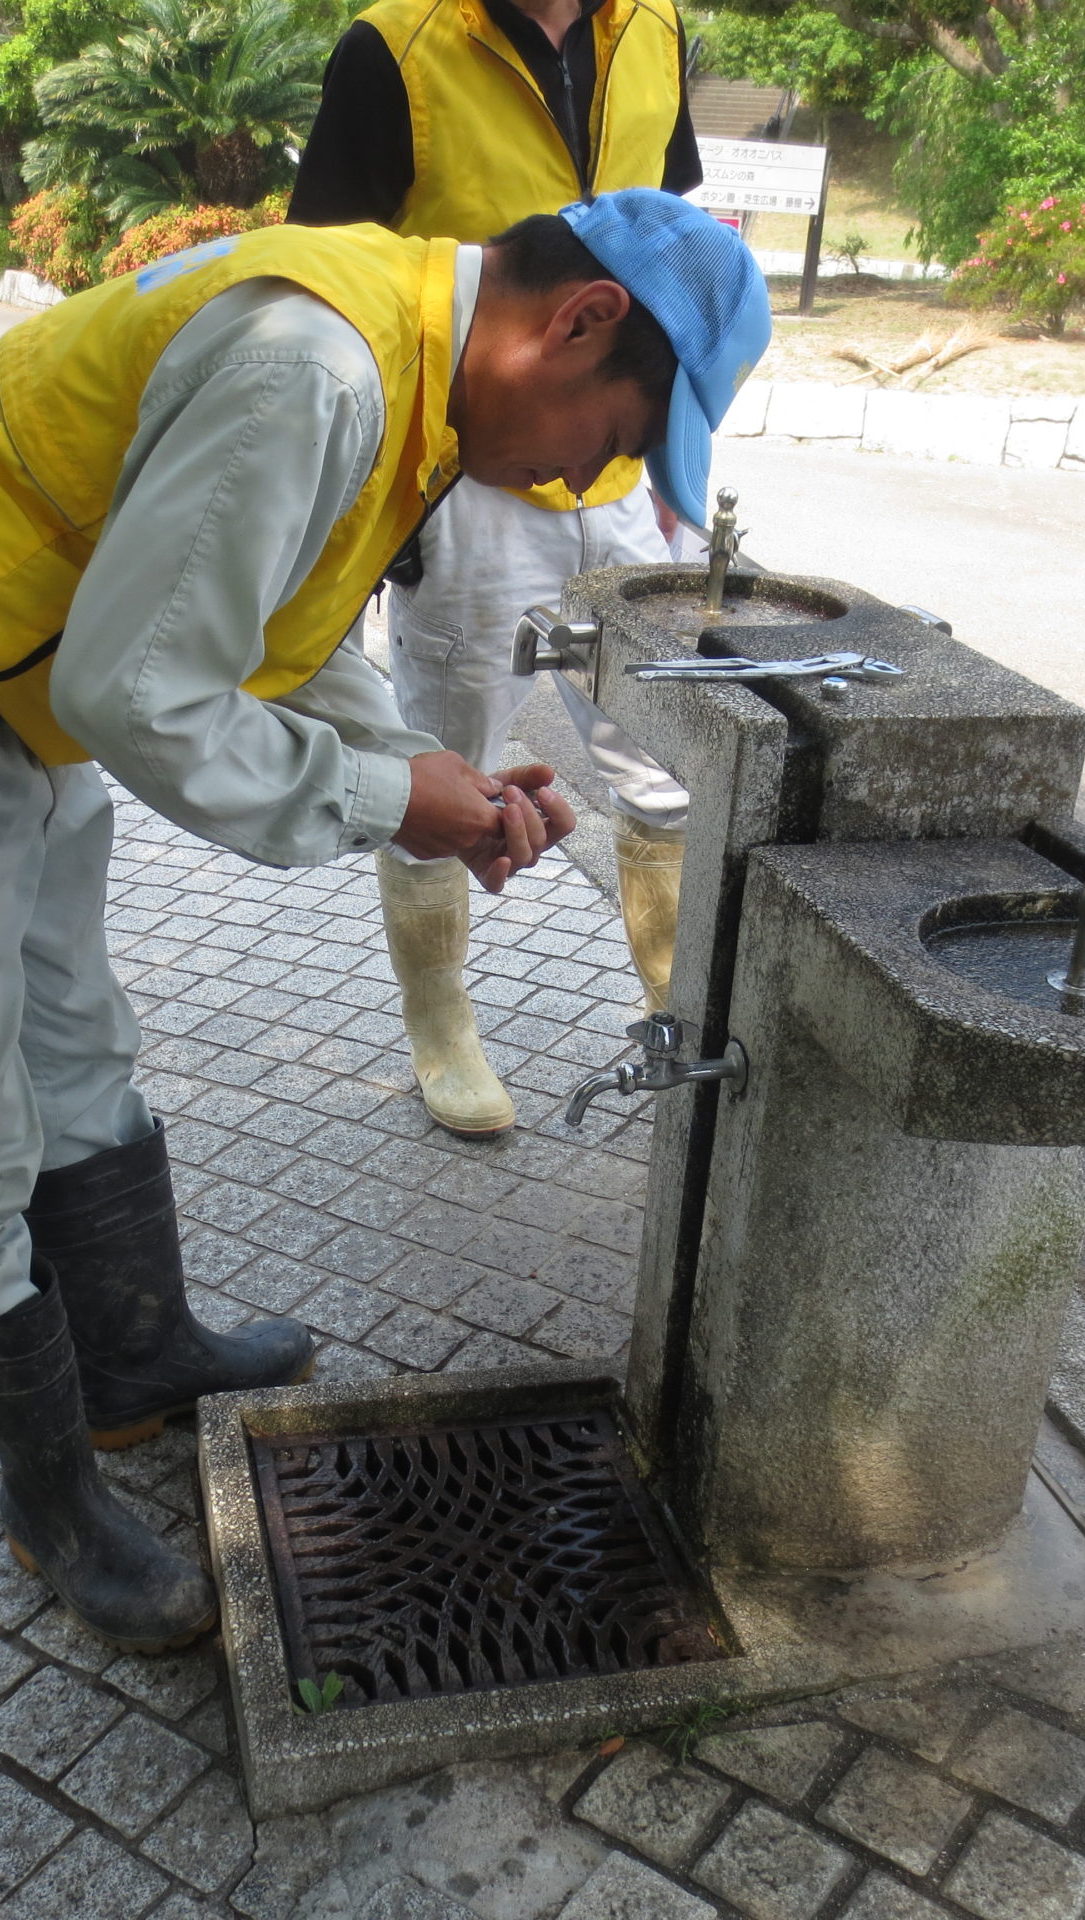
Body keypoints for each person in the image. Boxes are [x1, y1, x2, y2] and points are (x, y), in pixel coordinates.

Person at [0, 190, 770, 1654]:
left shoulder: (404, 351)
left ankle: (135, 1360)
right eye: (611, 435)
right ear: (580, 322)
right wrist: (386, 799)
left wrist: (426, 770)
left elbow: (276, 625)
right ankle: (53, 1502)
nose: (578, 476)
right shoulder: (319, 369)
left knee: (72, 1039)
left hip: (4, 679)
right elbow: (137, 693)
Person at [290, 0, 709, 1138]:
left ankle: (672, 1006)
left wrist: (667, 457)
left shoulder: (658, 30)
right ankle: (441, 1025)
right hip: (465, 467)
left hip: (617, 466)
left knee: (664, 763)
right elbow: (324, 275)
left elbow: (677, 231)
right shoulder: (394, 48)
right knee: (444, 759)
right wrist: (380, 496)